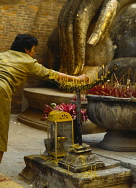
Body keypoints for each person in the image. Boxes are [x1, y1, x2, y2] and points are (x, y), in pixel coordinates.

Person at [0, 34, 89, 166]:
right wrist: (77, 79)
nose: (34, 53)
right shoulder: (28, 62)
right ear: (26, 49)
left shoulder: (2, 55)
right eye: (34, 49)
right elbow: (51, 74)